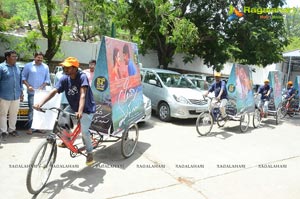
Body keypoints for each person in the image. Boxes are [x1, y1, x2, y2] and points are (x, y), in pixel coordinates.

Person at [34, 57, 96, 166]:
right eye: (64, 66)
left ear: (75, 68)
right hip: (73, 106)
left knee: (85, 132)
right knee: (62, 120)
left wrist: (80, 111)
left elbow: (82, 94)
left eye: (67, 67)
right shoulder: (64, 78)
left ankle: (90, 153)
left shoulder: (82, 77)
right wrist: (41, 103)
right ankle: (67, 139)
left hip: (86, 108)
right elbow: (54, 91)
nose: (65, 68)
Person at [22, 52, 50, 135]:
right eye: (38, 57)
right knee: (32, 110)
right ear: (34, 57)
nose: (40, 59)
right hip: (32, 92)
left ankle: (39, 128)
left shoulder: (45, 67)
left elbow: (47, 79)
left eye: (41, 58)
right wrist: (28, 86)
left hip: (42, 93)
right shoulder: (28, 66)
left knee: (40, 110)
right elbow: (23, 77)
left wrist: (42, 87)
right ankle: (30, 128)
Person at [0, 50, 24, 139]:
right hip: (4, 96)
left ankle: (12, 129)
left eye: (16, 56)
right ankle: (3, 131)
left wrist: (21, 92)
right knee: (3, 114)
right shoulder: (1, 67)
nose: (15, 58)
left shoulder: (17, 67)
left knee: (14, 113)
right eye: (13, 56)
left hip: (16, 95)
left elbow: (20, 81)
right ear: (7, 57)